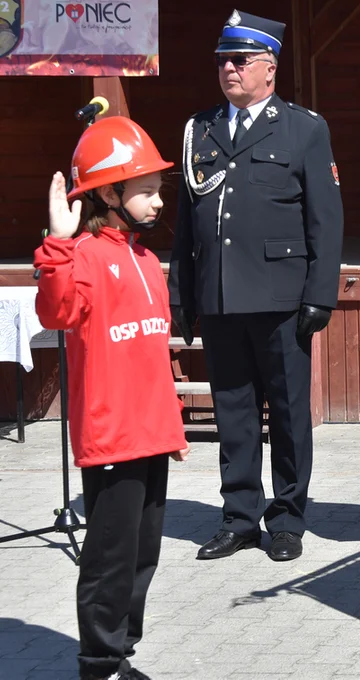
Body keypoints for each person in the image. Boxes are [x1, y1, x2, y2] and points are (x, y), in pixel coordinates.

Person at [168, 9, 344, 562]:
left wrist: (319, 294)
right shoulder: (201, 129)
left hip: (280, 297)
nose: (229, 70)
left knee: (289, 412)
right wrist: (181, 295)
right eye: (223, 61)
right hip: (220, 296)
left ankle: (288, 518)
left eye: (240, 61)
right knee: (233, 412)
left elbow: (325, 220)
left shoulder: (303, 128)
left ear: (269, 67)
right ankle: (239, 515)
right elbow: (186, 220)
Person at [34, 115, 189, 680]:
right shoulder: (84, 257)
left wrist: (171, 430)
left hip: (150, 434)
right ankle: (99, 663)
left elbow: (151, 361)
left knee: (143, 556)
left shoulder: (147, 260)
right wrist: (57, 241)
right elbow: (55, 312)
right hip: (111, 437)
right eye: (145, 191)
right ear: (107, 191)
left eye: (155, 190)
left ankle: (121, 652)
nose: (156, 202)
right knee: (109, 560)